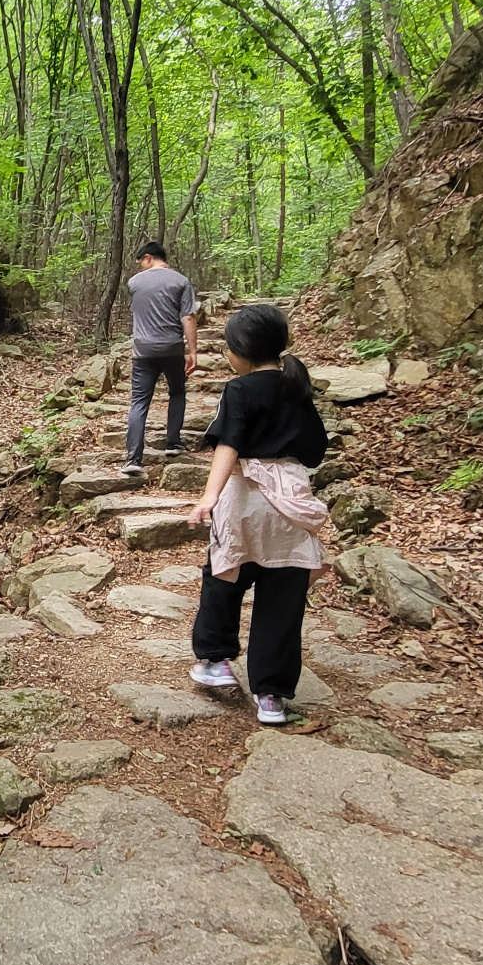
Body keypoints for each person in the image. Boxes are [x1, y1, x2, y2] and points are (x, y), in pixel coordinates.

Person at [185, 304, 329, 726]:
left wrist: (208, 496)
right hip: (289, 502)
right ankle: (271, 696)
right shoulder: (296, 387)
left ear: (240, 352)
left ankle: (215, 660)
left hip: (245, 499)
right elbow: (315, 450)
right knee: (283, 595)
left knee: (224, 575)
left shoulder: (239, 390)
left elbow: (228, 445)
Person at [123, 241, 197, 476]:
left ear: (148, 258)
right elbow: (188, 317)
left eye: (141, 263)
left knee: (139, 402)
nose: (140, 267)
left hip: (143, 351)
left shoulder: (134, 283)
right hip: (172, 348)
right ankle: (173, 443)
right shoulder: (181, 281)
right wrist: (193, 351)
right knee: (177, 392)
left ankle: (133, 459)